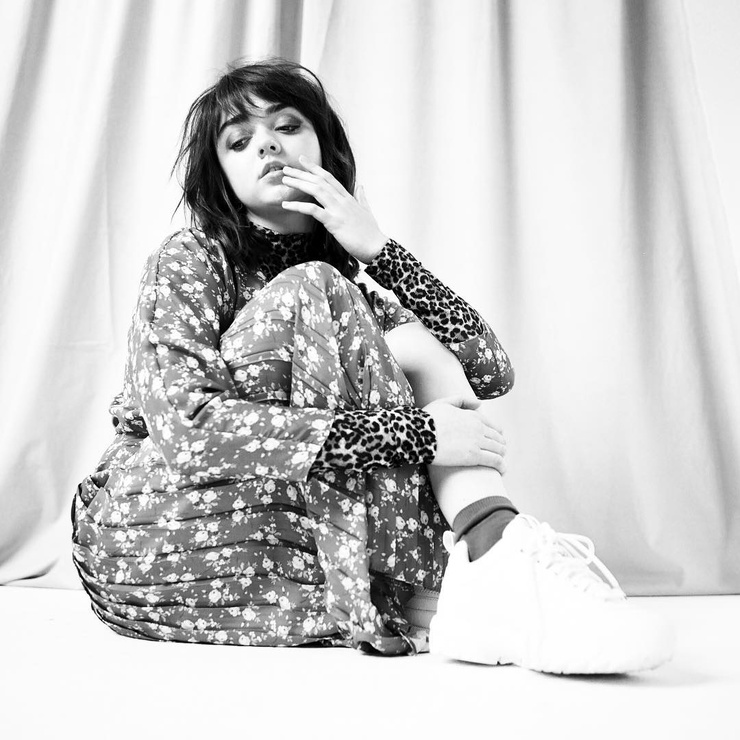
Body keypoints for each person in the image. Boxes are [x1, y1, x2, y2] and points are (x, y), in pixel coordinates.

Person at [72, 58, 672, 673]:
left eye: (287, 126)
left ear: (324, 148)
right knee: (323, 292)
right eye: (240, 142)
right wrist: (416, 436)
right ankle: (489, 561)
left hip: (274, 532)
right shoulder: (191, 259)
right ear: (220, 175)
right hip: (150, 527)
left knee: (413, 344)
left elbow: (488, 370)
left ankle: (489, 566)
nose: (268, 145)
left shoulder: (351, 296)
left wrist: (381, 251)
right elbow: (189, 430)